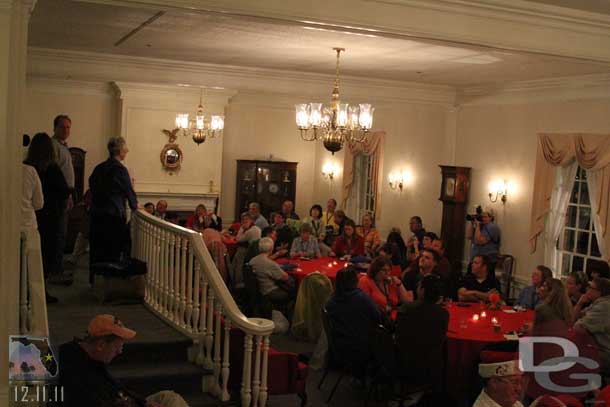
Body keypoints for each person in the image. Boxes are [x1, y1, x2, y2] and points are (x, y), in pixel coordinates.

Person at [59, 314, 188, 407]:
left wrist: (143, 402)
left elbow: (116, 387)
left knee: (168, 397)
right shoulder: (74, 370)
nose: (120, 352)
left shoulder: (90, 357)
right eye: (117, 346)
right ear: (101, 345)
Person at [26, 133, 72, 300]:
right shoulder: (51, 168)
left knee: (30, 255)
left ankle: (29, 290)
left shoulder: (27, 167)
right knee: (45, 255)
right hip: (50, 216)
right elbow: (63, 190)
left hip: (34, 215)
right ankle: (40, 291)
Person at [89, 137, 138, 284]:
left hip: (97, 214)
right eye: (125, 148)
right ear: (119, 150)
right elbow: (129, 191)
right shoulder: (120, 169)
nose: (127, 150)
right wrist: (135, 206)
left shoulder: (98, 168)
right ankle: (109, 284)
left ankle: (95, 282)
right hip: (113, 216)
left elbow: (92, 185)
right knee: (112, 251)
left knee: (97, 250)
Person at [326, 267, 386, 380]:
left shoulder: (332, 300)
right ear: (355, 282)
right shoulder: (361, 299)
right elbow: (378, 317)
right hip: (359, 347)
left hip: (337, 344)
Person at [396, 274, 449, 391]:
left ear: (422, 291)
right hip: (431, 366)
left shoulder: (407, 308)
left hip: (404, 363)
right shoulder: (443, 314)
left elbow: (398, 335)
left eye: (418, 286)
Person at [51, 115, 75, 280]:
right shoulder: (54, 146)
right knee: (58, 233)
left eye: (68, 127)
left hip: (65, 195)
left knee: (62, 232)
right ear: (55, 128)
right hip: (58, 196)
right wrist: (64, 194)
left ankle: (57, 268)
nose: (66, 130)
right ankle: (55, 271)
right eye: (62, 127)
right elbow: (55, 173)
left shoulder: (64, 146)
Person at [573, 277, 610, 373]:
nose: (587, 290)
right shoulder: (598, 303)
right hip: (596, 347)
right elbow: (574, 318)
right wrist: (580, 303)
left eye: (591, 288)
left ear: (600, 292)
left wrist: (582, 324)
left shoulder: (604, 306)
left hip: (605, 352)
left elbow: (577, 327)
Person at [249, 237, 295, 314]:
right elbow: (285, 277)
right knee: (293, 289)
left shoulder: (252, 260)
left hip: (258, 291)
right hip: (270, 291)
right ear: (271, 249)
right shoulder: (270, 264)